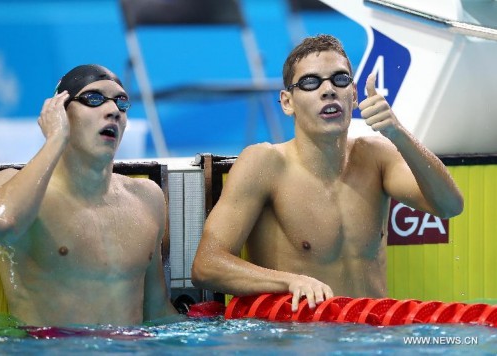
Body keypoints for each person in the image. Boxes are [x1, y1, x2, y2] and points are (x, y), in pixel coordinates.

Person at [191, 35, 464, 312]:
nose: (328, 90)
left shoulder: (376, 156)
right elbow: (207, 264)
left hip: (374, 338)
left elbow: (450, 206)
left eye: (340, 79)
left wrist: (398, 133)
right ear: (287, 102)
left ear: (354, 94)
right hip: (301, 340)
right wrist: (289, 282)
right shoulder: (265, 163)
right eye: (311, 82)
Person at [0, 64, 178, 326]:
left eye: (121, 102)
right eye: (94, 99)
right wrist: (55, 139)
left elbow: (157, 311)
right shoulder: (13, 185)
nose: (112, 111)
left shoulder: (146, 197)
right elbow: (0, 225)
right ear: (59, 112)